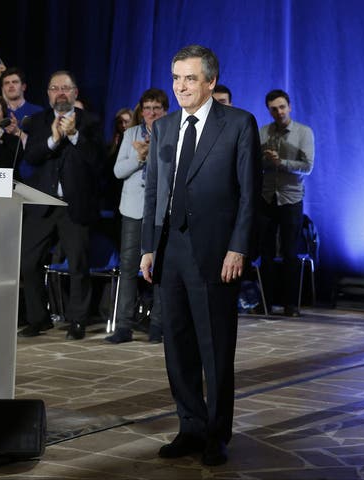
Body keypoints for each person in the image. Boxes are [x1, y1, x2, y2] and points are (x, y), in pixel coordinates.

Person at [140, 45, 260, 466]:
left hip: (215, 253)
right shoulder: (164, 126)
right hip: (169, 250)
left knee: (215, 346)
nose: (180, 87)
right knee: (177, 345)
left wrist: (238, 246)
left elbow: (249, 193)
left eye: (189, 78)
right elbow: (154, 191)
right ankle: (189, 426)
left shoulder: (239, 124)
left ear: (210, 81)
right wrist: (147, 247)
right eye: (176, 78)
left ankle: (216, 433)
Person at [19, 70, 104, 339]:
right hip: (41, 205)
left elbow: (97, 162)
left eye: (66, 88)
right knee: (28, 263)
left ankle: (77, 320)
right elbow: (31, 157)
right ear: (48, 94)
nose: (61, 92)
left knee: (78, 265)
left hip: (74, 205)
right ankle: (38, 318)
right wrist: (54, 140)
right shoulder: (36, 121)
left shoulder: (91, 122)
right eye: (55, 88)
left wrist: (75, 135)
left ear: (75, 93)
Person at [105, 89, 167, 345]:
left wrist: (154, 155)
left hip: (161, 210)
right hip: (132, 209)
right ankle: (123, 326)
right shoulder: (131, 134)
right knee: (129, 267)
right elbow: (118, 171)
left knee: (161, 268)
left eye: (156, 108)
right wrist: (139, 158)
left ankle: (158, 325)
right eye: (147, 108)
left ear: (164, 110)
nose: (151, 113)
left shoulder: (172, 133)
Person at [257, 89, 314, 317]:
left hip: (291, 197)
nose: (279, 112)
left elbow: (308, 166)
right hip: (267, 197)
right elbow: (254, 162)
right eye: (273, 109)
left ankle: (291, 304)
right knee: (266, 253)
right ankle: (267, 302)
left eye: (282, 107)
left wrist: (281, 162)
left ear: (289, 106)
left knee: (291, 253)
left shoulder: (303, 132)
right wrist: (265, 160)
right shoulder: (263, 132)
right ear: (269, 110)